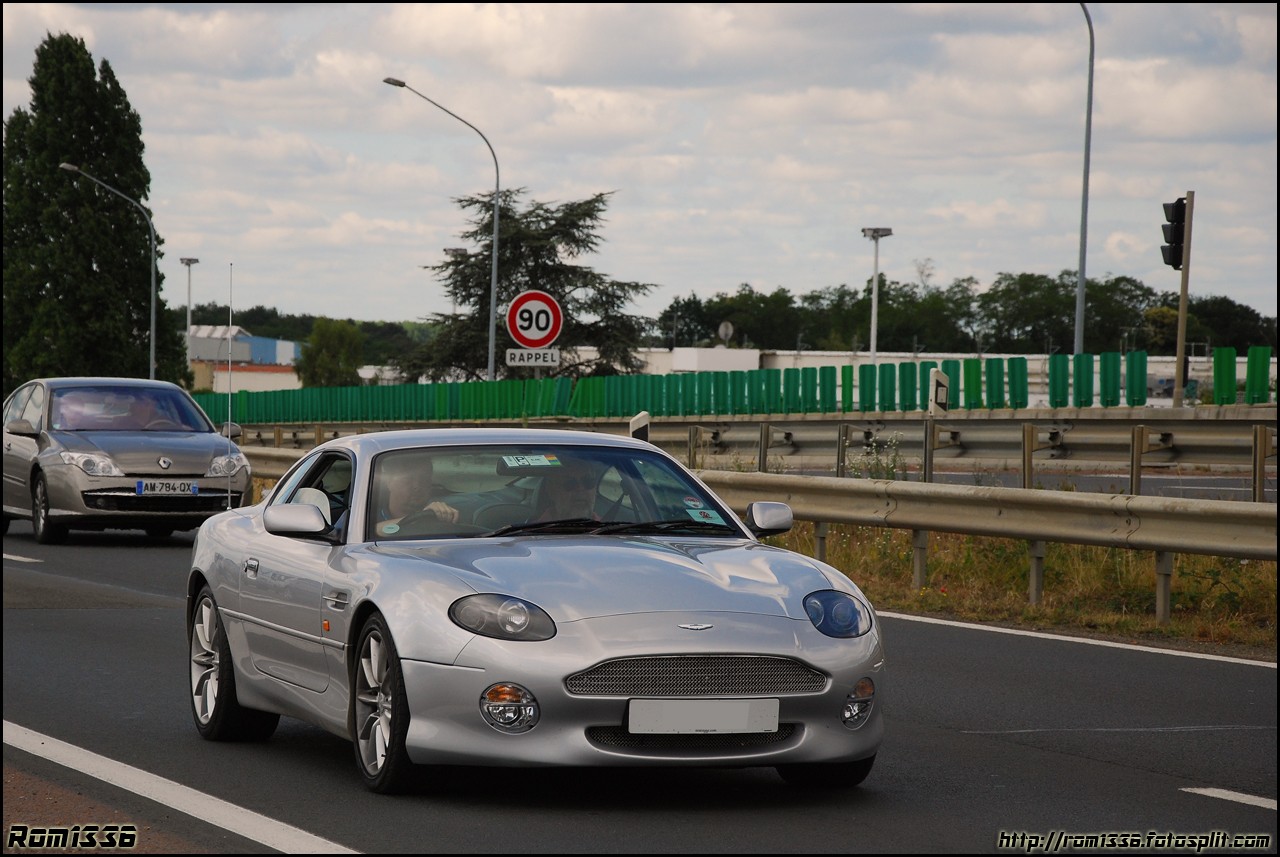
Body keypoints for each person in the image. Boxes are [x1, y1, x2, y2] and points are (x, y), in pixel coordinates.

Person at [374, 456, 459, 535]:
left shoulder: (441, 518)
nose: (417, 486)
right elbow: (368, 533)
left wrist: (440, 515)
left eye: (424, 479)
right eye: (408, 480)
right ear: (389, 482)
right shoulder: (368, 518)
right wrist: (419, 519)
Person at [535, 458, 601, 522]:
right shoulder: (531, 531)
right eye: (570, 483)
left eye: (588, 482)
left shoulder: (609, 529)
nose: (580, 488)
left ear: (595, 489)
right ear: (551, 491)